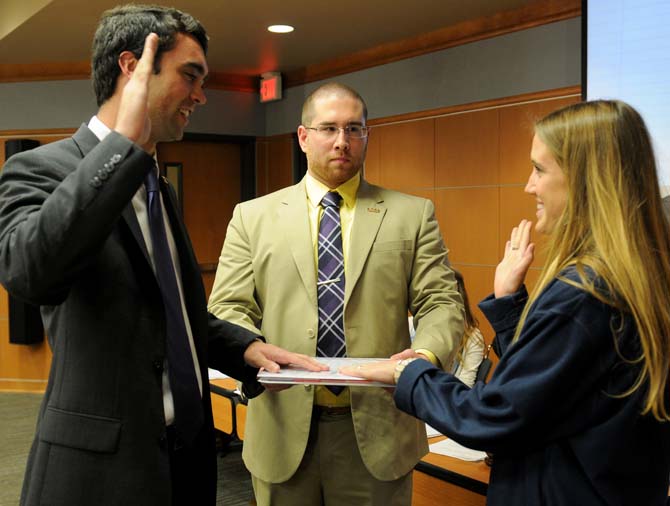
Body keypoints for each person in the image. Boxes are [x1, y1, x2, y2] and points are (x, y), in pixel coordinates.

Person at [0, 5, 324, 506]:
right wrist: (121, 148)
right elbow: (30, 274)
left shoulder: (159, 187)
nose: (200, 95)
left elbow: (168, 311)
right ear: (133, 68)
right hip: (100, 472)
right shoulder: (38, 169)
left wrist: (243, 349)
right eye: (190, 76)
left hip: (186, 464)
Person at [343, 100, 670, 505]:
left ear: (585, 179)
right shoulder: (640, 275)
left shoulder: (584, 293)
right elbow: (553, 388)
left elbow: (494, 415)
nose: (529, 186)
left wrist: (408, 373)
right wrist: (511, 303)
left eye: (539, 169)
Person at [207, 82, 464, 505]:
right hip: (282, 427)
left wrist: (426, 357)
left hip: (379, 432)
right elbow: (228, 307)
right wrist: (252, 351)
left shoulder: (411, 215)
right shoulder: (252, 217)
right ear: (303, 137)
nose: (342, 141)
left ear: (367, 135)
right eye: (328, 128)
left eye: (354, 129)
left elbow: (442, 302)